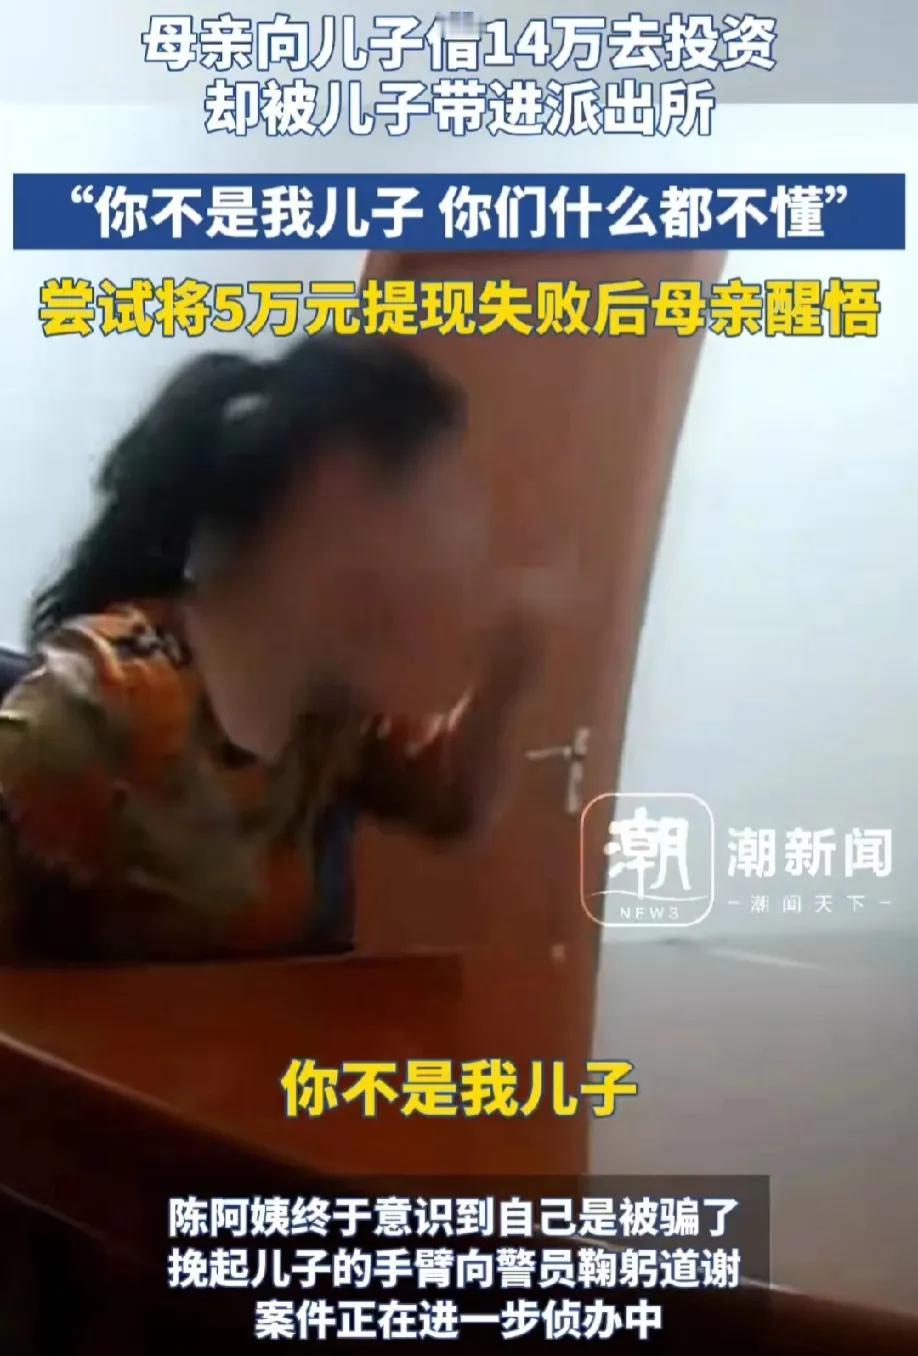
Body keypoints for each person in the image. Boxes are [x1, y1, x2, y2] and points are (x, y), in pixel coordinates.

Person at [0, 335, 542, 963]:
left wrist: (507, 675)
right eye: (442, 502)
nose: (465, 545)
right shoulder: (94, 707)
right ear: (339, 496)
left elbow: (447, 803)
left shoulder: (327, 713)